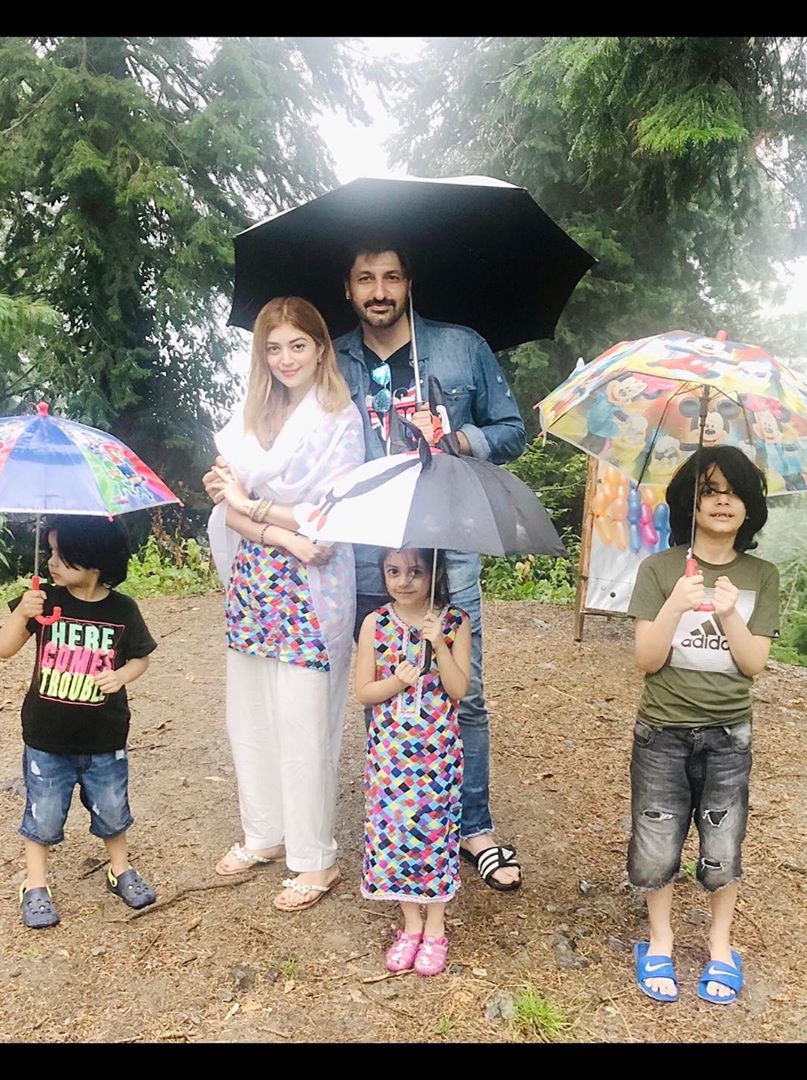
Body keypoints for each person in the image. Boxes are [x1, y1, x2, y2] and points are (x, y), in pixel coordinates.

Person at [334, 244, 526, 891]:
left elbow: (512, 428)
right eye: (366, 279)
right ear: (350, 288)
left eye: (390, 277)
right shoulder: (333, 361)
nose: (379, 290)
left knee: (461, 689)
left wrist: (459, 437)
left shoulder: (461, 348)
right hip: (368, 551)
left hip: (449, 542)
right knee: (380, 680)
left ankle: (473, 826)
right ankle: (397, 810)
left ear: (408, 283)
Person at [204, 296, 364, 912]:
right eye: (273, 347)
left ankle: (314, 859)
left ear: (321, 348)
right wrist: (276, 529)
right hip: (254, 581)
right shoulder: (254, 416)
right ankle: (264, 834)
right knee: (249, 715)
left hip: (308, 592)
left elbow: (333, 515)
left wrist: (254, 504)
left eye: (298, 345)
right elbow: (228, 505)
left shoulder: (338, 419)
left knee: (304, 723)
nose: (285, 358)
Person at [626, 445, 779, 1004]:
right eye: (709, 490)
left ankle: (720, 944)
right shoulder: (662, 569)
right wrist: (675, 606)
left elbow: (753, 664)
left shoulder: (761, 574)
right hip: (662, 730)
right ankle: (659, 940)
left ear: (750, 507)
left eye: (734, 491)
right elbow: (646, 659)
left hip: (728, 736)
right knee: (657, 840)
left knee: (722, 843)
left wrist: (728, 612)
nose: (722, 501)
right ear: (689, 503)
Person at [0, 516, 158, 929]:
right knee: (43, 815)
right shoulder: (43, 600)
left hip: (105, 736)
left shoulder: (123, 609)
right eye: (48, 552)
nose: (51, 562)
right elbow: (3, 650)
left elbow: (141, 657)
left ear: (94, 561)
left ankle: (119, 869)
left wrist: (121, 676)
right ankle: (35, 885)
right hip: (46, 736)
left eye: (62, 556)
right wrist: (22, 616)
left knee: (112, 810)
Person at [355, 548, 472, 975]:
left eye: (416, 571)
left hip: (437, 750)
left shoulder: (455, 622)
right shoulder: (374, 623)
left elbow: (459, 689)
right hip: (390, 752)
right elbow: (364, 692)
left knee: (435, 833)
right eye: (393, 571)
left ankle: (436, 928)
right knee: (397, 832)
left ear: (432, 574)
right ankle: (409, 923)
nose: (404, 581)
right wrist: (395, 681)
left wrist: (438, 643)